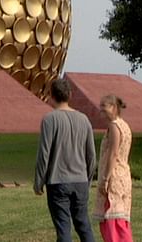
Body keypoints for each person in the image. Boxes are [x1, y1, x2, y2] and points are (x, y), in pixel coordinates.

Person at [34, 77, 97, 242]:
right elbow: (91, 155)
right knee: (84, 225)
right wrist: (87, 180)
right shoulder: (84, 119)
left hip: (58, 181)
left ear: (51, 95)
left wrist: (39, 182)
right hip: (80, 181)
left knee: (63, 228)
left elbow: (44, 154)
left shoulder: (50, 120)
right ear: (70, 95)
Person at [94, 94, 134, 242]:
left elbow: (113, 153)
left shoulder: (114, 126)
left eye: (104, 106)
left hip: (114, 177)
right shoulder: (125, 125)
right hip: (124, 175)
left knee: (113, 220)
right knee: (120, 219)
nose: (101, 110)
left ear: (114, 107)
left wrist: (105, 179)